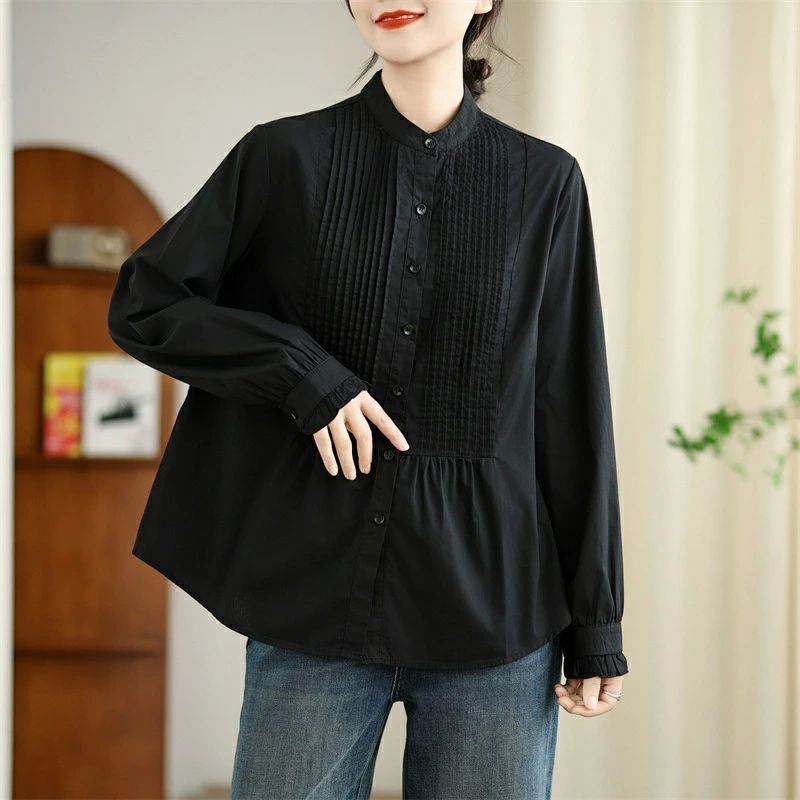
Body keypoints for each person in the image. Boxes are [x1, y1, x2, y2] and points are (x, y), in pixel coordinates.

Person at [107, 1, 629, 797]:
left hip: (494, 620)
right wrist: (301, 374)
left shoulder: (545, 182)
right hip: (312, 610)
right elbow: (146, 302)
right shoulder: (282, 157)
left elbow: (571, 405)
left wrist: (596, 620)